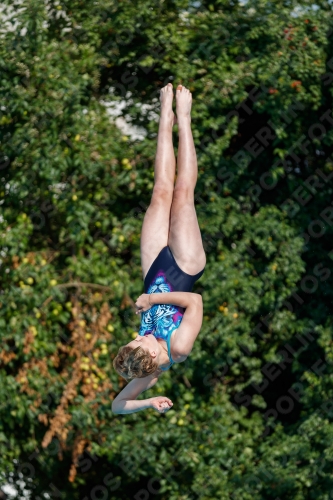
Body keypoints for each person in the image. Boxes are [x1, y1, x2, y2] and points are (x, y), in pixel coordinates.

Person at [112, 83, 206, 415]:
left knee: (160, 192)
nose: (137, 336)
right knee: (183, 191)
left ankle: (164, 116)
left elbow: (117, 406)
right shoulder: (177, 348)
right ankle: (184, 116)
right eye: (138, 341)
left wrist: (148, 402)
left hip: (154, 271)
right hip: (184, 266)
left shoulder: (141, 364)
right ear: (152, 356)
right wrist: (151, 300)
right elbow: (194, 301)